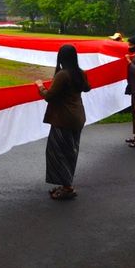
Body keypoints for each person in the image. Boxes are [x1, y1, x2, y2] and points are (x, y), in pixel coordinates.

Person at [34, 44, 91, 200]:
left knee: (58, 152)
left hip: (64, 119)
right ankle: (66, 183)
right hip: (77, 116)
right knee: (70, 151)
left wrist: (40, 86)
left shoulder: (63, 75)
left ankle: (67, 187)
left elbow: (49, 96)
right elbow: (87, 88)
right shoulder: (80, 73)